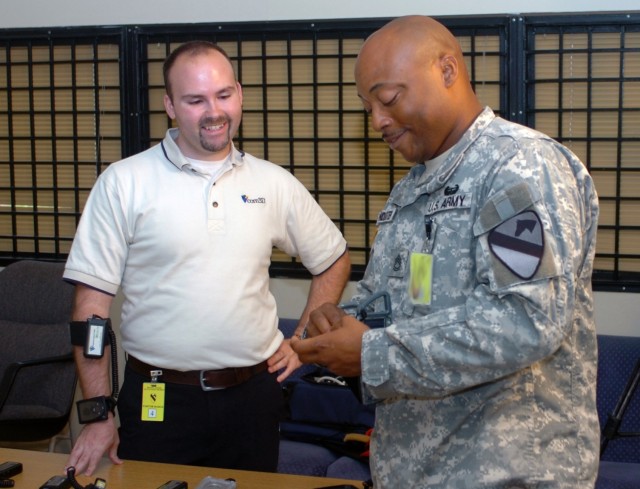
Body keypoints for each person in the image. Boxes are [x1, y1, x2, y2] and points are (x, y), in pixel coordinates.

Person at [292, 15, 600, 489]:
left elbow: (526, 320)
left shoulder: (516, 168)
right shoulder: (412, 192)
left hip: (507, 473)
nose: (378, 120)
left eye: (389, 99)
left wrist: (372, 353)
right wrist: (344, 322)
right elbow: (411, 305)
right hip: (415, 470)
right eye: (367, 106)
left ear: (448, 71)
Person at [63, 40, 351, 476]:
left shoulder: (272, 183)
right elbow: (91, 316)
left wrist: (303, 339)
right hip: (158, 397)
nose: (214, 111)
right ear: (170, 106)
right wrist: (99, 415)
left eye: (223, 95)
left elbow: (332, 259)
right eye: (195, 100)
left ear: (239, 93)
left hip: (253, 396)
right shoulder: (125, 183)